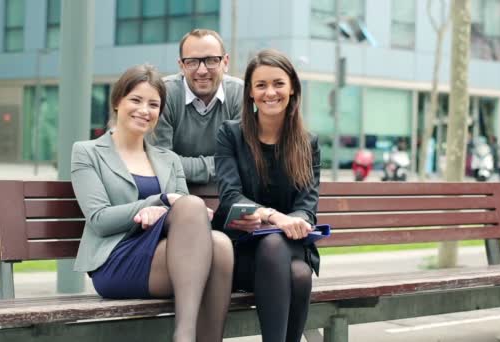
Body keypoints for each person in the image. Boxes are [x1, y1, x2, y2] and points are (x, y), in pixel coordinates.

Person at [71, 65, 233, 342]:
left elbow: (184, 209)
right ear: (117, 102)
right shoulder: (87, 152)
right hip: (116, 259)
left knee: (220, 244)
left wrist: (174, 210)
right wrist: (156, 202)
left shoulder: (168, 159)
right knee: (196, 215)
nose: (144, 110)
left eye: (153, 104)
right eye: (136, 100)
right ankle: (184, 336)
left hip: (167, 256)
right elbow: (99, 219)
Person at [214, 49, 321, 342]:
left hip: (290, 244)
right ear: (250, 92)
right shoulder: (230, 135)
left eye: (278, 83)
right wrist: (274, 217)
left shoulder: (307, 143)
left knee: (278, 246)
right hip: (243, 252)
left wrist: (295, 221)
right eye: (261, 85)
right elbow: (230, 196)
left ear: (292, 89)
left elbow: (307, 205)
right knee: (299, 276)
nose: (270, 92)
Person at [152, 29, 244, 184]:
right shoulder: (163, 95)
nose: (202, 70)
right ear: (181, 65)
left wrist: (179, 167)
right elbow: (161, 163)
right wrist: (224, 164)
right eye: (192, 62)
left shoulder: (240, 94)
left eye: (212, 60)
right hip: (173, 193)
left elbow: (243, 161)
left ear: (225, 62)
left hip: (229, 193)